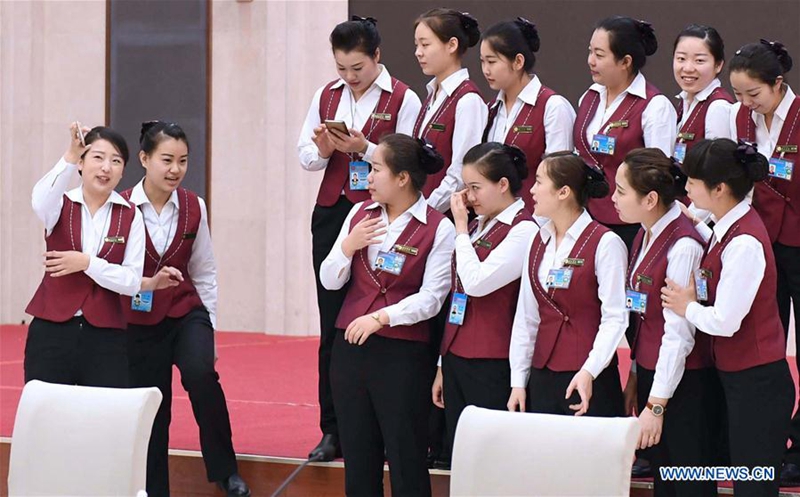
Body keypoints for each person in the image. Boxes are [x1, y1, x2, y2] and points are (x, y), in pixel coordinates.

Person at [297, 15, 422, 461]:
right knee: (332, 319)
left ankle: (386, 429)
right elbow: (306, 156)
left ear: (377, 57)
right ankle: (333, 429)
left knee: (382, 311)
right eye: (341, 69)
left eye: (358, 68)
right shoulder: (326, 96)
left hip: (384, 211)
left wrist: (364, 149)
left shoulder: (404, 97)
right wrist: (325, 150)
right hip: (334, 212)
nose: (349, 78)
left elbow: (408, 157)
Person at [320, 134, 455, 496]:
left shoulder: (438, 227)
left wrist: (381, 318)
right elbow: (330, 281)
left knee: (405, 455)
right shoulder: (358, 213)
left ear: (402, 178)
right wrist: (348, 246)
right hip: (351, 350)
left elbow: (432, 298)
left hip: (402, 355)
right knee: (359, 458)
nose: (367, 177)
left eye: (376, 169)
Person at [122, 121, 249, 497]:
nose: (175, 169)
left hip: (185, 311)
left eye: (182, 161)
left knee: (201, 375)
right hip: (138, 318)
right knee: (152, 406)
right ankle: (153, 488)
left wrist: (209, 326)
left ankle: (226, 472)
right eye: (166, 160)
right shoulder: (122, 207)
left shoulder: (195, 206)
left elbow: (205, 270)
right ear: (144, 159)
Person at [662, 138, 794, 496]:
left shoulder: (744, 243)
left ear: (719, 188)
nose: (685, 188)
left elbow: (726, 321)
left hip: (758, 383)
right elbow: (718, 245)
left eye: (692, 182)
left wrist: (685, 306)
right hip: (737, 376)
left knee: (753, 486)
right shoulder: (726, 225)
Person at [613, 148, 717, 496]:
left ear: (651, 198)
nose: (613, 199)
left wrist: (656, 405)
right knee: (665, 480)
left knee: (686, 481)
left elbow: (678, 335)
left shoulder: (683, 244)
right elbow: (643, 315)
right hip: (653, 373)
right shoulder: (648, 229)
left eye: (621, 191)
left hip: (682, 384)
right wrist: (635, 376)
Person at [432, 143, 536, 461]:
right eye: (466, 188)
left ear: (502, 184)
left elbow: (477, 283)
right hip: (457, 353)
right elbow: (457, 293)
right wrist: (441, 364)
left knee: (491, 457)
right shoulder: (479, 224)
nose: (469, 197)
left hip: (493, 357)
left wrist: (460, 228)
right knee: (461, 456)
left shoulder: (524, 229)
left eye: (475, 188)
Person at [728, 41, 800, 482]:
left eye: (753, 94)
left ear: (778, 84)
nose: (745, 104)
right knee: (765, 344)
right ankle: (770, 438)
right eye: (738, 94)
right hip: (761, 243)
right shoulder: (742, 118)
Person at [508, 152, 627, 418]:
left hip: (589, 375)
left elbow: (615, 318)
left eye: (539, 182)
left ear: (563, 192)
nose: (533, 190)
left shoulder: (605, 243)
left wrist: (590, 370)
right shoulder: (537, 240)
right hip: (542, 375)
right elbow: (526, 317)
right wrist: (518, 380)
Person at [25, 123, 144, 388]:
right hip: (52, 329)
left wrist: (87, 263)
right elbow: (38, 201)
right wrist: (69, 154)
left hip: (106, 336)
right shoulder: (58, 205)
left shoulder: (131, 215)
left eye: (116, 161)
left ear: (123, 170)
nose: (106, 168)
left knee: (102, 418)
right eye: (98, 157)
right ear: (81, 163)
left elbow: (132, 281)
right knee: (47, 413)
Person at [574, 16, 677, 250]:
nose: (591, 61)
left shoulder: (654, 106)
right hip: (585, 216)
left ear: (625, 61)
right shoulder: (589, 97)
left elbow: (657, 174)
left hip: (629, 224)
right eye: (590, 52)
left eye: (600, 55)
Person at [480, 17, 575, 215]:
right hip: (497, 220)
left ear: (518, 61)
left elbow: (560, 177)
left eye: (492, 61)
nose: (485, 70)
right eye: (482, 62)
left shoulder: (552, 106)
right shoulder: (491, 109)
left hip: (536, 220)